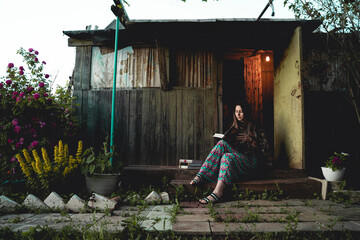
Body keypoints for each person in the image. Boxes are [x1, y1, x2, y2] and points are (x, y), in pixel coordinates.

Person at [190, 103, 271, 204]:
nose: (238, 114)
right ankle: (206, 179)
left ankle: (214, 190)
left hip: (251, 160)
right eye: (236, 112)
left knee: (226, 156)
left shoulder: (255, 126)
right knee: (222, 145)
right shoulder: (234, 127)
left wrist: (250, 140)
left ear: (245, 112)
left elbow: (265, 149)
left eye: (241, 112)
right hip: (239, 156)